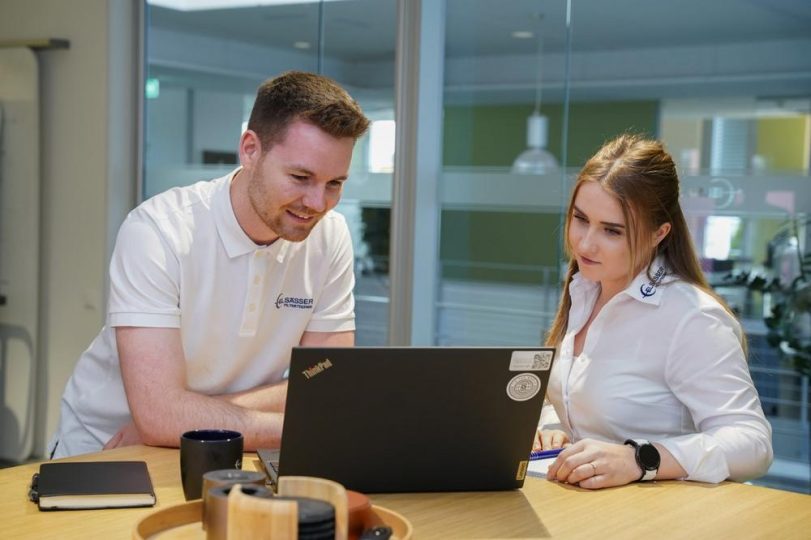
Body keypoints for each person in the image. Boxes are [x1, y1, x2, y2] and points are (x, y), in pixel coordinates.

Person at [49, 71, 370, 458]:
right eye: (301, 177)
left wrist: (183, 417)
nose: (318, 204)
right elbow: (159, 416)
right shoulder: (159, 231)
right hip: (110, 447)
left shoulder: (330, 236)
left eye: (335, 184)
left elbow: (325, 381)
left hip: (234, 446)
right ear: (250, 150)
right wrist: (312, 429)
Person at [537, 134, 772, 489]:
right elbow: (577, 400)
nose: (585, 243)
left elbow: (753, 444)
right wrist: (553, 427)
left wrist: (639, 459)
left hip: (661, 513)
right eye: (580, 219)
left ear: (658, 233)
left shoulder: (693, 318)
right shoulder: (585, 289)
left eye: (612, 231)